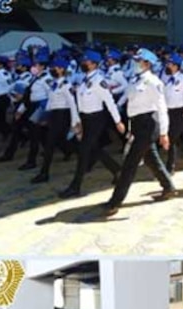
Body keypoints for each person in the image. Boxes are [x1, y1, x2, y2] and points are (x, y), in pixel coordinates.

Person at [102, 48, 177, 216]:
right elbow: (128, 100)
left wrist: (164, 133)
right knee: (151, 158)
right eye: (135, 60)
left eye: (138, 61)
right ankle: (169, 187)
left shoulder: (153, 82)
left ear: (147, 64)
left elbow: (162, 108)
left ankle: (115, 202)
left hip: (148, 125)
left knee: (130, 164)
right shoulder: (135, 79)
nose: (135, 63)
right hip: (136, 124)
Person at [59, 50, 124, 198]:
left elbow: (109, 102)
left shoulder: (99, 81)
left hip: (96, 119)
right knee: (94, 149)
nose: (83, 63)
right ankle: (117, 170)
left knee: (84, 151)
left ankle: (75, 186)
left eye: (86, 61)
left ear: (94, 64)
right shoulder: (84, 80)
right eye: (83, 61)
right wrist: (78, 121)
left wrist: (118, 121)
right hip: (86, 118)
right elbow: (80, 103)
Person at [30, 57, 79, 185]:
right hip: (54, 115)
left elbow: (72, 104)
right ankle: (80, 152)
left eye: (55, 67)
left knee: (50, 143)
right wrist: (44, 116)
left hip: (63, 115)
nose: (52, 69)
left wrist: (75, 122)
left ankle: (44, 173)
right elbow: (50, 101)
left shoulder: (66, 85)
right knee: (59, 141)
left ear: (62, 69)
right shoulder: (54, 84)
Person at [160, 53, 183, 174]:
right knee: (174, 138)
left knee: (173, 138)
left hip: (180, 112)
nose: (168, 66)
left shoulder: (182, 80)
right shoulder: (166, 79)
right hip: (168, 111)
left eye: (170, 64)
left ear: (176, 66)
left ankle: (170, 166)